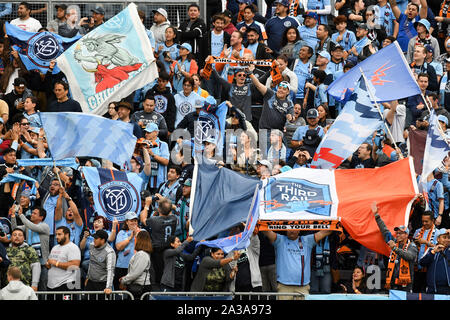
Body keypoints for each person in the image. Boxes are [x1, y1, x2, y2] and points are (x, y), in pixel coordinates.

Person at [261, 228, 334, 299]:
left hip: (303, 287)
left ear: (299, 230)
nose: (292, 230)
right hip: (284, 287)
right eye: (289, 228)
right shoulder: (280, 240)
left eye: (294, 228)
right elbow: (266, 231)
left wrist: (336, 223)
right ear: (285, 229)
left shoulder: (307, 240)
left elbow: (324, 232)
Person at [372, 202, 418, 292]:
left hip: (406, 285)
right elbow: (385, 230)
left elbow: (410, 256)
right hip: (392, 283)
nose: (397, 235)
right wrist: (376, 215)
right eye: (397, 233)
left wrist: (395, 249)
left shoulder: (412, 246)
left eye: (400, 233)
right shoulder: (394, 242)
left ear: (406, 235)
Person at [10, 205, 49, 291]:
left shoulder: (45, 226)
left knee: (42, 288)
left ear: (41, 217)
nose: (32, 214)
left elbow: (33, 227)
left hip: (42, 264)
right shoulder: (27, 226)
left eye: (35, 213)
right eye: (32, 213)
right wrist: (13, 216)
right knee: (30, 288)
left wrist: (21, 215)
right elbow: (15, 229)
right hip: (29, 262)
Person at [141, 197, 177, 288]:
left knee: (157, 276)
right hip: (169, 249)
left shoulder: (154, 220)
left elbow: (143, 219)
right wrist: (163, 202)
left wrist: (147, 205)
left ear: (159, 209)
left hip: (157, 250)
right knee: (167, 274)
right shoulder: (174, 219)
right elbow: (172, 208)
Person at [46, 226, 81, 293]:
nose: (56, 237)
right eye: (56, 234)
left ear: (67, 235)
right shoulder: (55, 247)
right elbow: (50, 263)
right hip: (51, 285)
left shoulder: (73, 247)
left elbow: (75, 265)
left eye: (59, 234)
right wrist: (48, 264)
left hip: (65, 285)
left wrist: (56, 263)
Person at [119, 230, 153, 299]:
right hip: (139, 287)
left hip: (139, 287)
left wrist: (123, 281)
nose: (135, 240)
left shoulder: (142, 254)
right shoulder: (143, 254)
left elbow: (135, 273)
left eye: (136, 238)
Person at [114, 211, 140, 291]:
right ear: (126, 222)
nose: (134, 222)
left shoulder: (143, 232)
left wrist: (137, 234)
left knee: (133, 292)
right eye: (131, 220)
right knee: (120, 292)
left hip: (136, 267)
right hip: (122, 266)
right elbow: (118, 247)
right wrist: (130, 238)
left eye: (135, 220)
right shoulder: (122, 233)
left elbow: (145, 247)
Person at [412, 211, 438, 293]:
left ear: (432, 221)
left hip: (430, 268)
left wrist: (426, 242)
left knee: (426, 293)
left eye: (426, 221)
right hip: (417, 268)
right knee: (415, 292)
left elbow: (439, 248)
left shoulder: (438, 233)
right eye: (423, 221)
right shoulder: (417, 231)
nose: (424, 223)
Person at [85, 229, 116, 296]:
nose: (94, 240)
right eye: (94, 238)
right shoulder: (91, 246)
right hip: (91, 282)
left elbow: (110, 270)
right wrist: (87, 277)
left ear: (103, 240)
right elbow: (91, 262)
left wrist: (108, 287)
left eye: (96, 238)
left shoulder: (110, 252)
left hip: (102, 284)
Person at [419, 228, 450, 294]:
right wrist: (433, 252)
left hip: (448, 289)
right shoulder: (431, 250)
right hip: (433, 288)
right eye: (444, 237)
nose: (447, 240)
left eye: (449, 238)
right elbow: (422, 263)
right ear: (438, 239)